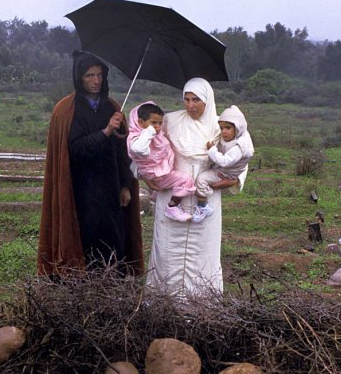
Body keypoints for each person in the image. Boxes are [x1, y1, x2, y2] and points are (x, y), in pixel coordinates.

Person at [37, 50, 143, 276]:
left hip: (110, 187)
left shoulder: (113, 107)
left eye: (100, 75)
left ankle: (111, 287)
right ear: (79, 78)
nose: (96, 81)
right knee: (85, 241)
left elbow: (123, 153)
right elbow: (74, 151)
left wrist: (125, 185)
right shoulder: (66, 110)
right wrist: (105, 131)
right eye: (89, 76)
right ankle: (82, 290)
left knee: (113, 238)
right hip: (80, 190)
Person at [144, 78, 236, 298]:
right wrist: (147, 177)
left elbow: (239, 160)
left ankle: (203, 306)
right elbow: (150, 147)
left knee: (203, 251)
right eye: (186, 99)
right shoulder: (170, 120)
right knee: (167, 249)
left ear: (207, 100)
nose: (190, 105)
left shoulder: (221, 125)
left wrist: (223, 181)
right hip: (173, 193)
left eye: (196, 100)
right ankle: (162, 304)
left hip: (206, 197)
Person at [126, 101, 196, 222]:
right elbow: (138, 150)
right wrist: (149, 132)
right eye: (153, 123)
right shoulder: (137, 138)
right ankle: (172, 207)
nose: (157, 126)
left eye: (159, 123)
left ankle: (154, 196)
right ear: (141, 123)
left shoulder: (156, 135)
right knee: (186, 180)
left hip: (160, 170)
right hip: (156, 174)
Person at [193, 105, 254, 223]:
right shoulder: (172, 120)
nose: (223, 131)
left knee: (202, 180)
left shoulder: (240, 145)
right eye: (221, 128)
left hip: (221, 174)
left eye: (227, 128)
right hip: (218, 169)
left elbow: (233, 162)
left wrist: (211, 150)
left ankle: (202, 206)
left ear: (238, 128)